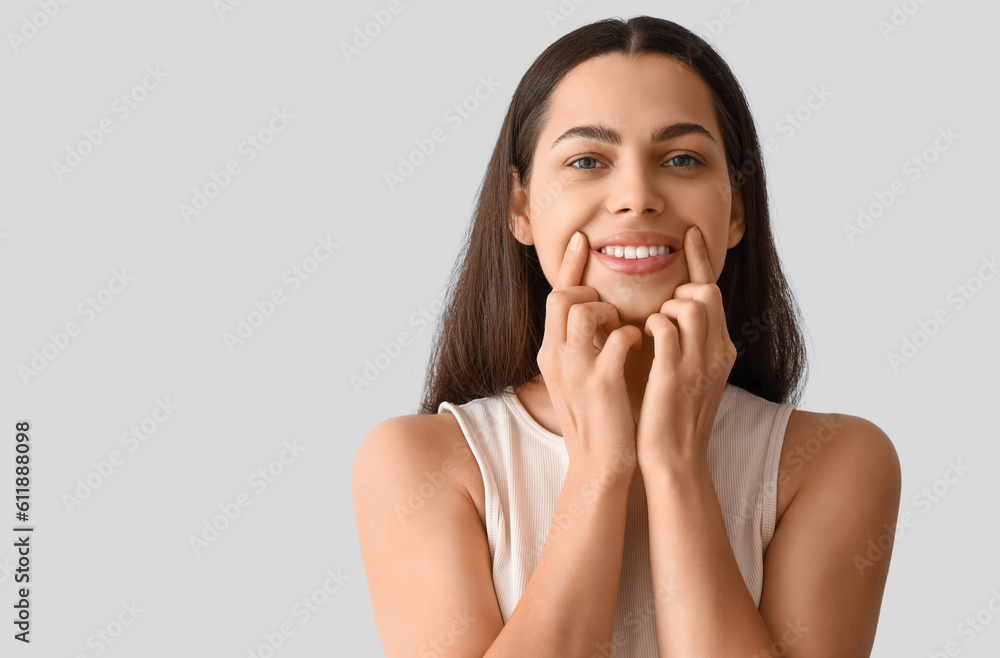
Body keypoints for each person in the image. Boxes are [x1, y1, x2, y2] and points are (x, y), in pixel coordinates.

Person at [353, 15, 901, 657]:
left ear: (737, 210)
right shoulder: (420, 463)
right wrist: (599, 468)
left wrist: (675, 466)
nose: (637, 196)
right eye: (588, 160)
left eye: (682, 159)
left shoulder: (836, 462)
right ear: (521, 207)